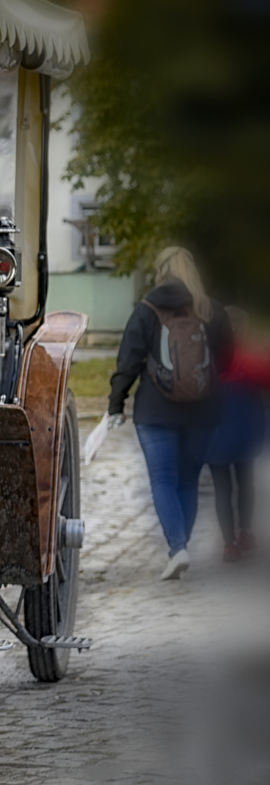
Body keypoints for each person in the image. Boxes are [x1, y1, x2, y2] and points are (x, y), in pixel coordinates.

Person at [108, 246, 231, 580]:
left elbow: (129, 361)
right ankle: (181, 546)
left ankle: (178, 548)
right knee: (188, 479)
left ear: (160, 271)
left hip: (155, 411)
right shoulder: (212, 310)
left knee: (163, 479)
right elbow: (226, 359)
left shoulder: (147, 309)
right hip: (204, 412)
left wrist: (116, 403)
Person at [206, 307, 270, 561]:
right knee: (245, 483)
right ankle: (245, 532)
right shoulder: (247, 356)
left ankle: (229, 542)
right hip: (245, 431)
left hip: (214, 434)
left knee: (222, 488)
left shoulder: (206, 356)